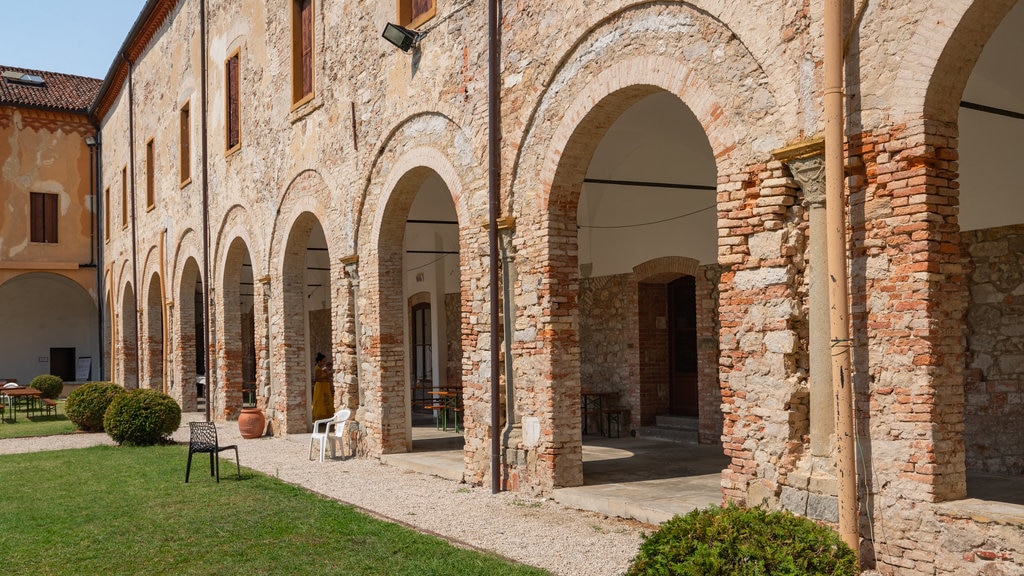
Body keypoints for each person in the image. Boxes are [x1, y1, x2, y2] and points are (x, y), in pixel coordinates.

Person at [311, 352, 334, 421]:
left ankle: (326, 418)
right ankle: (319, 418)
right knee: (320, 402)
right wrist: (326, 379)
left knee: (326, 401)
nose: (324, 362)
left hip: (325, 387)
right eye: (323, 361)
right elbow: (317, 379)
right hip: (320, 388)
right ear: (319, 361)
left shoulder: (323, 368)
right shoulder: (317, 369)